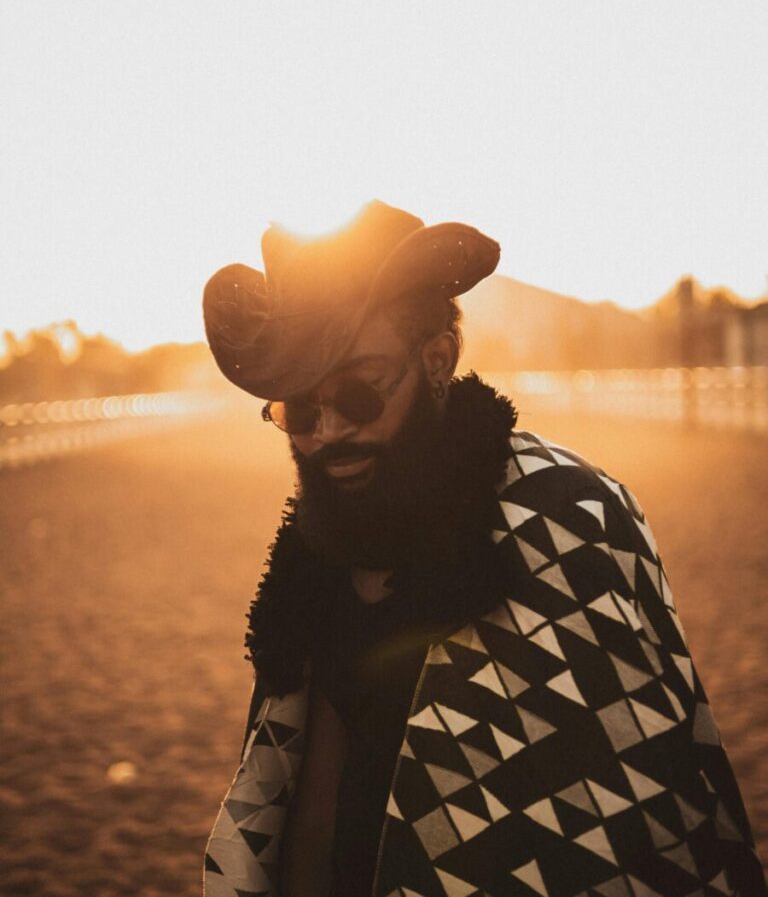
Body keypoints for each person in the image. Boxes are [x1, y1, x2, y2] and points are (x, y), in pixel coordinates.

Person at [201, 200, 765, 897]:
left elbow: (651, 817)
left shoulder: (568, 515)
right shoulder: (318, 551)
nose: (326, 434)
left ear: (437, 360)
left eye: (358, 392)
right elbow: (313, 801)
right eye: (298, 409)